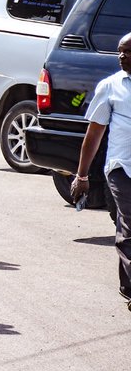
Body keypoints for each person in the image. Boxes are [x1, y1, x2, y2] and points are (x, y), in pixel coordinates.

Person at [71, 32, 131, 304]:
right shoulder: (110, 87)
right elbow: (94, 135)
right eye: (120, 51)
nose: (121, 57)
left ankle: (127, 286)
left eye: (127, 52)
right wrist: (82, 175)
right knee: (130, 223)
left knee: (125, 225)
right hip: (122, 167)